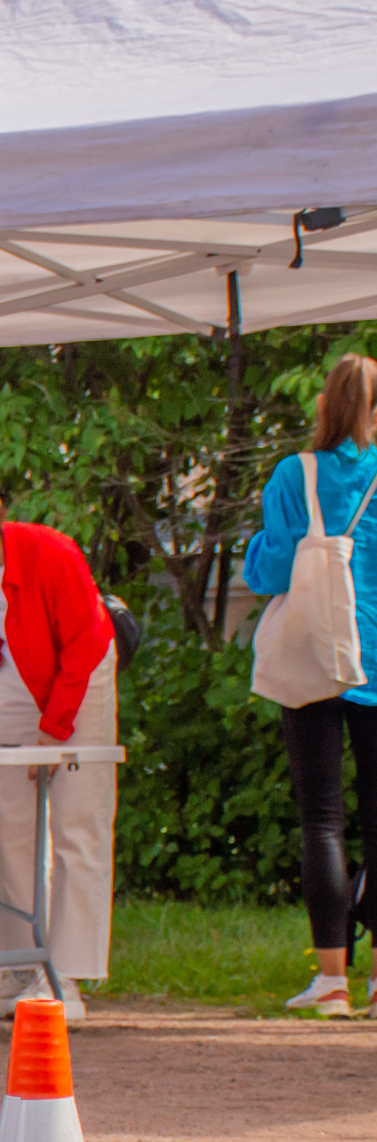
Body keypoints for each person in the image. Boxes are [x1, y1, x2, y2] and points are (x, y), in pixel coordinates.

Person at [0, 473, 117, 1025]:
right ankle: (12, 965)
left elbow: (82, 644)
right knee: (12, 825)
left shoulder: (52, 552)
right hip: (19, 673)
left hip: (83, 676)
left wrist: (53, 733)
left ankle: (66, 977)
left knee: (78, 825)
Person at [242, 354, 377, 1017]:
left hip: (315, 663)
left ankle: (331, 983)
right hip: (376, 665)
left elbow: (270, 572)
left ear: (324, 404)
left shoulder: (296, 474)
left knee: (322, 821)